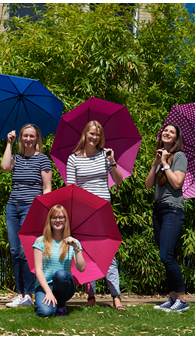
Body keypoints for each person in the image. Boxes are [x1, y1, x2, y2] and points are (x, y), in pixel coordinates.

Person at [66, 120, 125, 310]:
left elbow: (118, 181)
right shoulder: (73, 158)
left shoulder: (105, 156)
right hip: (83, 212)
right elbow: (69, 187)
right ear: (85, 134)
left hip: (103, 210)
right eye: (91, 133)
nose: (94, 137)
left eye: (98, 134)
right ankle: (90, 293)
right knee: (83, 251)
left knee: (109, 252)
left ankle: (115, 295)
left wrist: (112, 162)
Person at [1, 124, 52, 308]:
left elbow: (47, 188)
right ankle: (20, 293)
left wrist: (44, 211)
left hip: (31, 207)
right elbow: (5, 167)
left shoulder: (43, 160)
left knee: (26, 251)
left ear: (37, 138)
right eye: (25, 136)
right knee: (15, 251)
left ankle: (29, 294)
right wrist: (9, 143)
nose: (28, 139)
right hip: (12, 207)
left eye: (32, 136)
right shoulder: (16, 158)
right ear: (21, 138)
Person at [145, 123, 189, 313]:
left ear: (176, 138)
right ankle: (172, 298)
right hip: (159, 211)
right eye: (165, 130)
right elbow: (148, 185)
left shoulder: (179, 156)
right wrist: (156, 162)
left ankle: (182, 298)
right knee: (165, 256)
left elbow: (177, 183)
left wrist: (165, 164)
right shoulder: (160, 157)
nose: (167, 133)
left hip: (172, 210)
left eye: (172, 132)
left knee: (167, 255)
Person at [34, 205, 85, 317]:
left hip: (64, 286)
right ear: (50, 221)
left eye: (61, 217)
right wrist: (48, 291)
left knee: (60, 274)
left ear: (65, 220)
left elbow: (81, 268)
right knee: (46, 312)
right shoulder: (40, 241)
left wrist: (76, 247)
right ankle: (52, 304)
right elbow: (38, 270)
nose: (58, 220)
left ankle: (61, 304)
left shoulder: (73, 242)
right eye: (54, 218)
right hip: (45, 286)